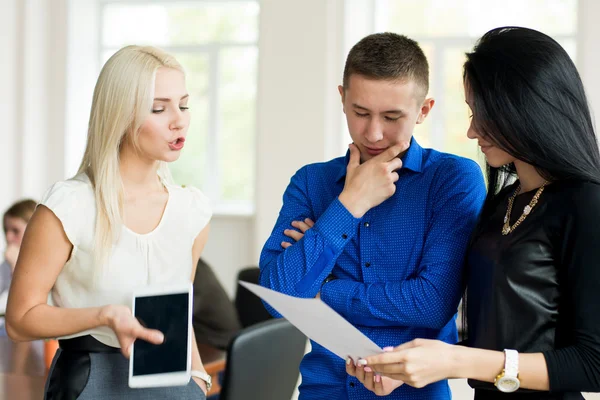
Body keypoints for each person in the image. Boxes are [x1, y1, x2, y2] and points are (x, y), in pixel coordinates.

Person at [348, 27, 600, 399]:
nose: (471, 131)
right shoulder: (504, 201)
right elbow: (498, 333)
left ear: (526, 109)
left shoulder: (585, 204)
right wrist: (408, 368)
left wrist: (454, 362)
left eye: (484, 114)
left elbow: (592, 364)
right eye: (471, 112)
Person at [259, 32, 486, 399]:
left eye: (392, 116)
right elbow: (275, 299)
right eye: (360, 113)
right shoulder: (311, 182)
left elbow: (431, 303)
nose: (374, 133)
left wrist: (323, 289)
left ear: (424, 110)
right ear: (342, 99)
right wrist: (349, 204)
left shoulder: (453, 180)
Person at [5, 45, 212, 399]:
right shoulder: (69, 207)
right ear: (120, 115)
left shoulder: (191, 210)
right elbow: (20, 319)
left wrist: (198, 379)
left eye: (184, 104)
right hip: (91, 382)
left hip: (172, 381)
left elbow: (180, 309)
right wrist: (103, 316)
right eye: (159, 108)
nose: (178, 119)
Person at [193, 258, 241, 363]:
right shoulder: (197, 264)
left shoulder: (196, 274)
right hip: (204, 338)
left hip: (218, 346)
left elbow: (175, 315)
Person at [1, 199, 37, 317]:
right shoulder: (8, 263)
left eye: (15, 231)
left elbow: (31, 304)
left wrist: (16, 266)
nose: (8, 237)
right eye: (6, 230)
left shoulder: (48, 262)